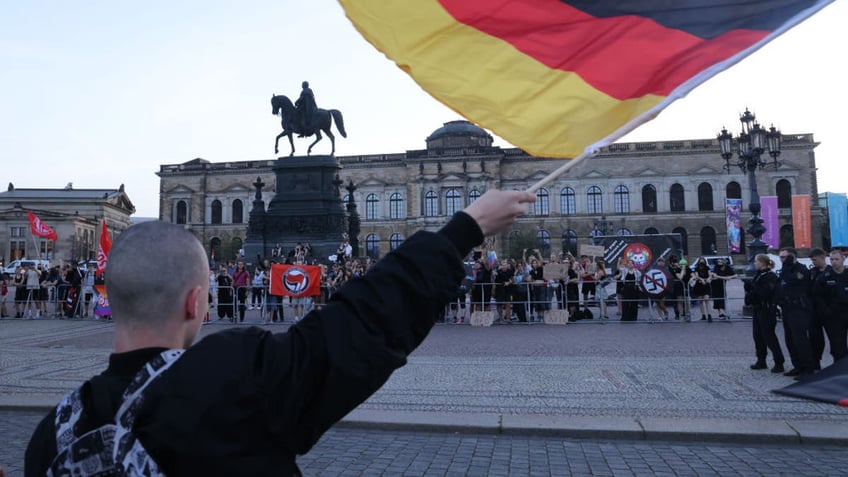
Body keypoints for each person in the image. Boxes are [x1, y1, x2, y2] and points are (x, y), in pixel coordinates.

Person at [25, 189, 536, 476]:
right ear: (197, 301)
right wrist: (463, 230)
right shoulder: (235, 379)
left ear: (109, 297)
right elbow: (360, 324)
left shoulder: (50, 436)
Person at [776, 247, 815, 379]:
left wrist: (786, 266)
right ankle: (797, 366)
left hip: (799, 309)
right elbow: (781, 286)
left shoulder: (801, 270)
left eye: (784, 257)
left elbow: (792, 280)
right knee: (790, 340)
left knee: (800, 340)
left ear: (792, 257)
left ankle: (808, 368)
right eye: (780, 257)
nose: (782, 260)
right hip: (787, 309)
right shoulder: (785, 270)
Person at [744, 254, 785, 373]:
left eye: (756, 261)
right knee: (758, 335)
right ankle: (761, 359)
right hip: (758, 309)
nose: (755, 263)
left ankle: (779, 361)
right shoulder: (759, 275)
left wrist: (753, 292)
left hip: (767, 309)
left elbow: (765, 292)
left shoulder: (770, 276)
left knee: (769, 336)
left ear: (762, 262)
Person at [820, 248, 848, 362]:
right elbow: (818, 296)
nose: (834, 262)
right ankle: (839, 369)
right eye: (831, 259)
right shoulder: (825, 276)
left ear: (843, 259)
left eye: (837, 259)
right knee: (837, 345)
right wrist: (826, 310)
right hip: (834, 316)